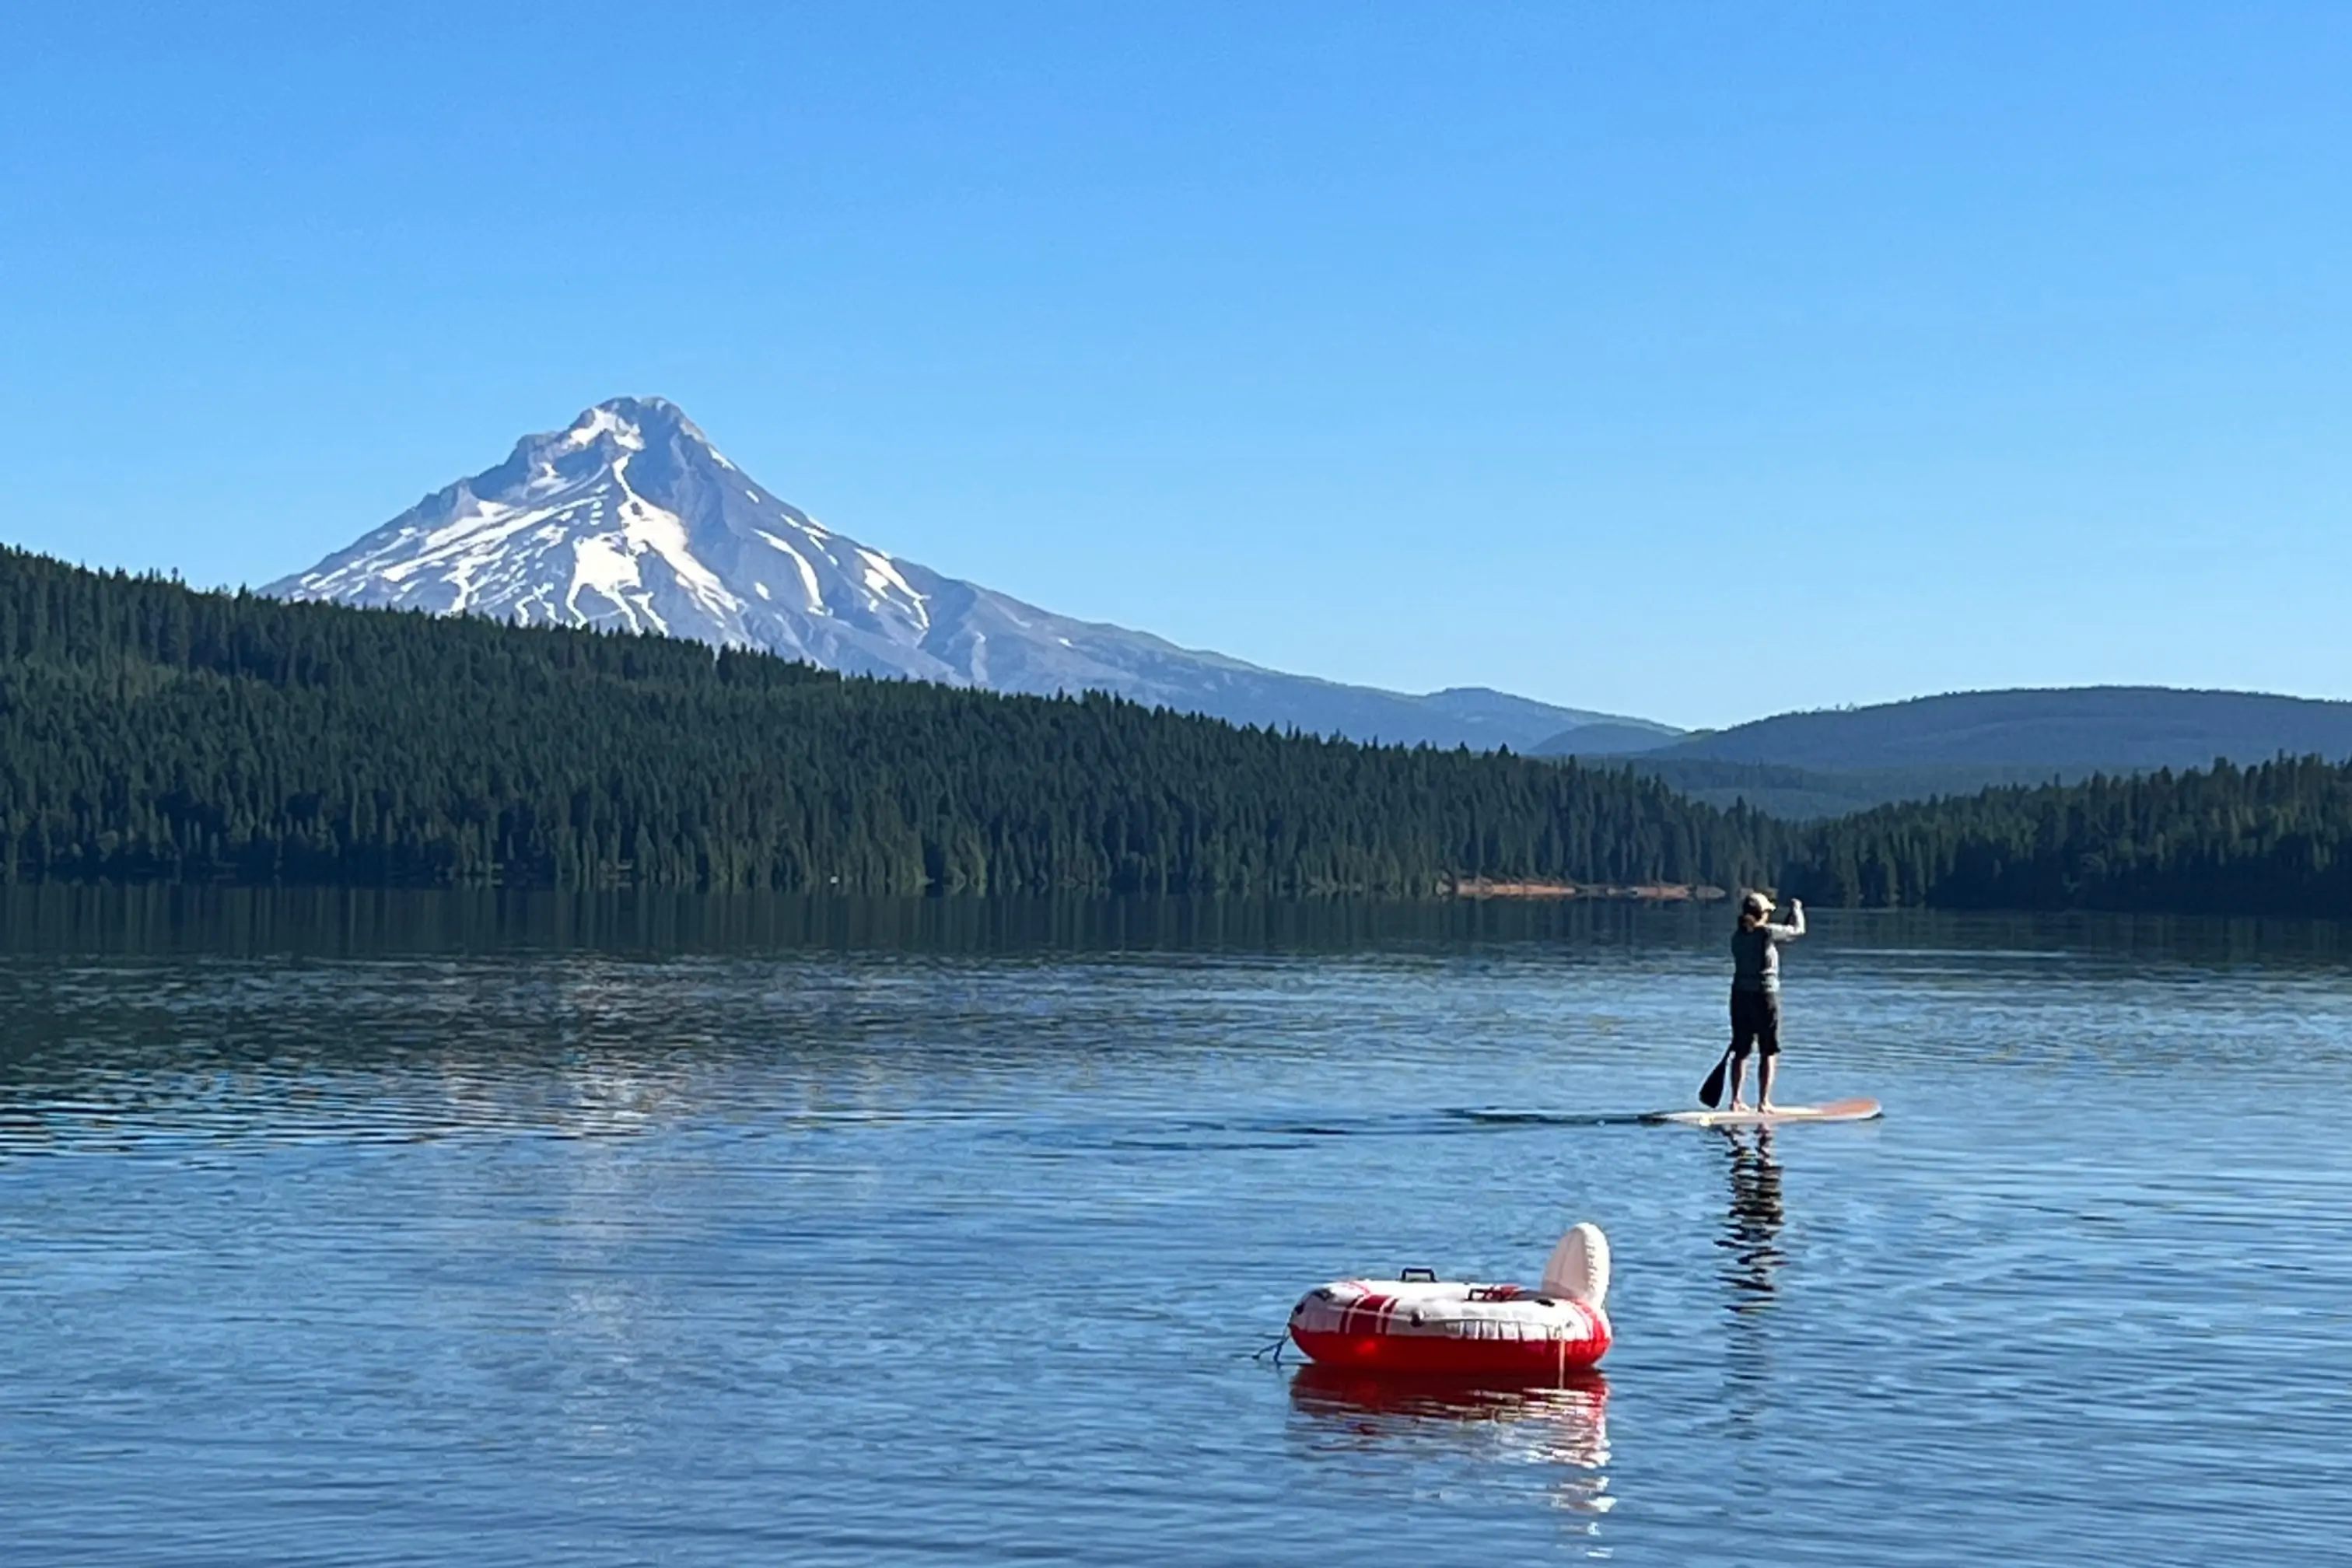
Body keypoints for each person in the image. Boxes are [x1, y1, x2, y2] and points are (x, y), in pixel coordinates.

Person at [1727, 889, 1804, 1111]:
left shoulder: (1737, 937)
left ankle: (1736, 1100)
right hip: (1764, 995)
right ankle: (1763, 1102)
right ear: (1762, 914)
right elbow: (1797, 930)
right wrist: (1796, 909)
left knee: (1741, 1050)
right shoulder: (1767, 933)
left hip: (1740, 996)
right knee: (1768, 1050)